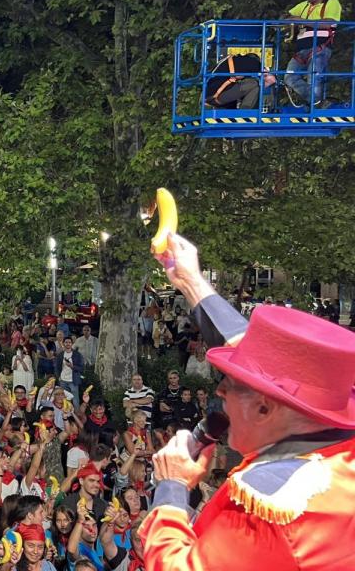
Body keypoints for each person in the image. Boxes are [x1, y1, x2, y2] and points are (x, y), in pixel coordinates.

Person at [142, 232, 355, 570]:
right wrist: (191, 281)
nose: (219, 391)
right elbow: (264, 357)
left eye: (228, 383)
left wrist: (172, 487)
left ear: (264, 407)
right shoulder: (332, 412)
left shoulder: (270, 507)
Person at [284, 0, 343, 107]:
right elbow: (286, 16)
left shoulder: (331, 2)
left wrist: (301, 21)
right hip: (300, 50)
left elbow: (327, 23)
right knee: (289, 77)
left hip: (319, 47)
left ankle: (315, 108)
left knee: (314, 78)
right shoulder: (304, 5)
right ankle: (318, 102)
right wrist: (288, 20)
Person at [204, 54, 276, 109]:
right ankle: (245, 112)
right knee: (255, 83)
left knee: (253, 84)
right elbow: (272, 80)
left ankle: (244, 111)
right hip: (215, 96)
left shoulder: (234, 62)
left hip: (211, 96)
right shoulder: (253, 63)